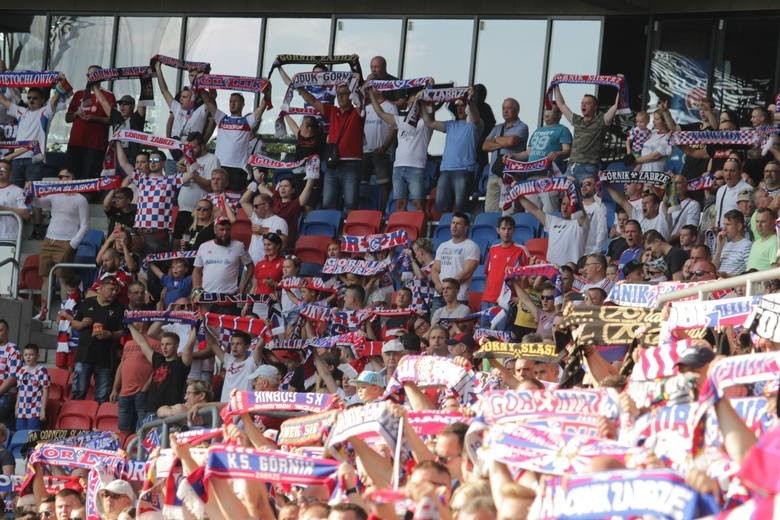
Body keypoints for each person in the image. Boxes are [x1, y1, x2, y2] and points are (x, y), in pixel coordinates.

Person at [33, 168, 89, 320]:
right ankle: (44, 310)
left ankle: (65, 313)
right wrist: (30, 192)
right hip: (49, 239)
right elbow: (38, 202)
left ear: (73, 179)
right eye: (60, 177)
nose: (63, 179)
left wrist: (73, 244)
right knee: (46, 277)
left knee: (63, 278)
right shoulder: (54, 194)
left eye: (66, 176)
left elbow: (84, 225)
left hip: (66, 242)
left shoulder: (80, 199)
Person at [298, 84, 364, 211]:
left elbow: (362, 100)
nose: (341, 97)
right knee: (327, 202)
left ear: (351, 96)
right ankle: (330, 229)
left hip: (351, 164)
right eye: (338, 94)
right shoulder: (333, 111)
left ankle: (346, 230)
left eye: (344, 93)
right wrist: (300, 89)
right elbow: (312, 101)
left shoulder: (357, 112)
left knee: (350, 203)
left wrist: (358, 83)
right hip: (332, 164)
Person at [366, 88, 432, 212]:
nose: (414, 106)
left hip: (416, 168)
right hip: (398, 168)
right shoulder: (400, 120)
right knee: (400, 205)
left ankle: (419, 231)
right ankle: (402, 230)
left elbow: (430, 115)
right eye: (412, 103)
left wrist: (425, 96)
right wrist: (371, 95)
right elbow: (381, 113)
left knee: (418, 204)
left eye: (417, 103)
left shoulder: (425, 123)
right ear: (408, 104)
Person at [422, 90, 482, 213]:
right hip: (445, 170)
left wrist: (470, 101)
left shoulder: (475, 124)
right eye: (457, 106)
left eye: (462, 105)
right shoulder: (450, 125)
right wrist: (423, 103)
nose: (459, 109)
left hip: (464, 170)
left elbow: (475, 116)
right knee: (441, 207)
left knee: (461, 208)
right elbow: (429, 122)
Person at [67, 276, 125, 403]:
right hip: (84, 355)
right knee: (79, 392)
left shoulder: (119, 308)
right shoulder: (87, 303)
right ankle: (75, 420)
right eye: (111, 289)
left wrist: (109, 334)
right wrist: (81, 324)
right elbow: (73, 323)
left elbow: (123, 332)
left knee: (102, 396)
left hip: (105, 358)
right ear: (101, 288)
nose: (114, 293)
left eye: (116, 290)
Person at [505, 106, 572, 213]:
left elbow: (567, 150)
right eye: (546, 109)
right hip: (531, 178)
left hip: (549, 177)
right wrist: (513, 156)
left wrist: (557, 154)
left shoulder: (563, 130)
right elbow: (528, 152)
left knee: (549, 214)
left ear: (559, 114)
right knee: (531, 213)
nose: (546, 112)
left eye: (550, 110)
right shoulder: (538, 130)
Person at [200, 89, 268, 192]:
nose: (232, 104)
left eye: (236, 101)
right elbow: (208, 102)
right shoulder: (222, 118)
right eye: (231, 101)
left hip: (239, 168)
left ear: (243, 104)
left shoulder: (247, 121)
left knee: (235, 200)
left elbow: (262, 106)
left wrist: (268, 90)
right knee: (217, 198)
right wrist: (199, 85)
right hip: (220, 166)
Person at [553, 85, 620, 184]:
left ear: (595, 107)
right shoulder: (577, 120)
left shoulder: (601, 120)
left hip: (589, 168)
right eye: (582, 103)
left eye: (588, 103)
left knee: (585, 197)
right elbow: (561, 104)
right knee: (566, 197)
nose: (584, 105)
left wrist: (620, 86)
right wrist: (556, 85)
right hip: (571, 166)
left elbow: (616, 105)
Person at [129, 326, 195, 422]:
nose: (164, 347)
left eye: (168, 344)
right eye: (162, 344)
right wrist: (129, 325)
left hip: (170, 414)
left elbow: (190, 345)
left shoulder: (182, 363)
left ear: (177, 346)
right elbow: (142, 342)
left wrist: (196, 327)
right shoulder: (158, 360)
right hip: (150, 411)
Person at [192, 216, 254, 309]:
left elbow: (250, 266)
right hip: (207, 297)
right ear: (215, 230)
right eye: (221, 229)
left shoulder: (239, 246)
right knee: (206, 323)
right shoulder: (204, 246)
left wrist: (242, 288)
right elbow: (197, 270)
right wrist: (197, 291)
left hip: (228, 297)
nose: (225, 233)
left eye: (228, 229)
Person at [65, 67, 115, 179]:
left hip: (95, 145)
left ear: (101, 76)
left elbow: (112, 120)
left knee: (89, 179)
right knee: (71, 177)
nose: (91, 77)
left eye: (94, 74)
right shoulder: (78, 94)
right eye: (89, 74)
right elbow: (67, 118)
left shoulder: (108, 95)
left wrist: (94, 118)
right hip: (75, 143)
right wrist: (76, 114)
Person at [483, 98, 528, 212]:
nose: (505, 111)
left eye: (509, 108)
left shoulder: (522, 127)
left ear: (517, 111)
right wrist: (503, 143)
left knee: (508, 212)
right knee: (490, 212)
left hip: (510, 176)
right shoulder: (497, 128)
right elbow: (485, 146)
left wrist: (496, 139)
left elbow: (511, 142)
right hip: (493, 176)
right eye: (503, 108)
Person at [482, 217, 529, 326]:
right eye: (503, 229)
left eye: (509, 229)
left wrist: (521, 299)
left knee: (501, 338)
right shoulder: (493, 249)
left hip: (506, 302)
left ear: (514, 230)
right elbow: (487, 274)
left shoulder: (521, 250)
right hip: (487, 301)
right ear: (497, 230)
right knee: (484, 336)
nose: (506, 232)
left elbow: (530, 277)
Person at [517, 193, 588, 267]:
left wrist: (573, 190)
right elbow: (535, 210)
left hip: (570, 271)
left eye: (569, 205)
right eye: (563, 204)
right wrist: (519, 196)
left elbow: (581, 211)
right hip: (551, 269)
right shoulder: (553, 220)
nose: (565, 207)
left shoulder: (580, 223)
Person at [431, 212, 480, 310]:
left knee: (455, 325)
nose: (454, 226)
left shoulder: (471, 246)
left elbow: (467, 273)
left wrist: (447, 287)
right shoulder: (443, 246)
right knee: (434, 324)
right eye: (453, 223)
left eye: (458, 223)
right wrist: (438, 284)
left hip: (458, 297)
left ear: (466, 227)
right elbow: (435, 269)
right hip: (439, 295)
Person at [174, 131, 220, 234]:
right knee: (177, 242)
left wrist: (191, 174)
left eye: (193, 148)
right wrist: (180, 171)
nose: (190, 151)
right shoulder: (186, 158)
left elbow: (210, 185)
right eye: (188, 148)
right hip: (182, 209)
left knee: (191, 243)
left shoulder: (212, 159)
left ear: (202, 146)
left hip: (199, 212)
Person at [239, 191, 289, 263]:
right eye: (253, 206)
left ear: (266, 206)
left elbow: (283, 244)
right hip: (251, 265)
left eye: (256, 206)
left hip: (268, 265)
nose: (254, 209)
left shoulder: (279, 222)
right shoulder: (256, 218)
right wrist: (253, 185)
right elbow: (243, 201)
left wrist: (264, 232)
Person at [14, 343, 49, 430]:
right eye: (26, 355)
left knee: (32, 436)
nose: (28, 357)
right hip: (22, 409)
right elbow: (20, 391)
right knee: (20, 435)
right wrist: (16, 407)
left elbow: (45, 391)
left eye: (31, 354)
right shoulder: (21, 371)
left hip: (35, 409)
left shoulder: (41, 371)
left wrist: (42, 410)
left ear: (37, 356)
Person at [714, 209, 752, 276]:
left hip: (733, 285)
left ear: (739, 226)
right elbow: (713, 269)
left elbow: (749, 273)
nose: (724, 229)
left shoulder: (747, 245)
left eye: (728, 224)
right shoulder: (725, 245)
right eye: (724, 225)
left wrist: (727, 276)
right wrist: (719, 248)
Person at [0, 158, 29, 243]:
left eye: (4, 169)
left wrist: (3, 208)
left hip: (8, 239)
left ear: (10, 173)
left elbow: (26, 214)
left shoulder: (18, 191)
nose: (0, 171)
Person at [668, 174, 702, 243]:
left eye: (678, 183)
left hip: (678, 245)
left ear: (686, 186)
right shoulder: (668, 203)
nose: (674, 186)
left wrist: (669, 240)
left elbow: (690, 229)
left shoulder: (693, 204)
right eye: (673, 183)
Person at [580, 175, 608, 254]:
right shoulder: (576, 207)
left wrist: (595, 252)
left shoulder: (600, 207)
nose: (584, 187)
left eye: (588, 184)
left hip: (591, 252)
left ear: (596, 187)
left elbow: (602, 232)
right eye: (582, 184)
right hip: (575, 250)